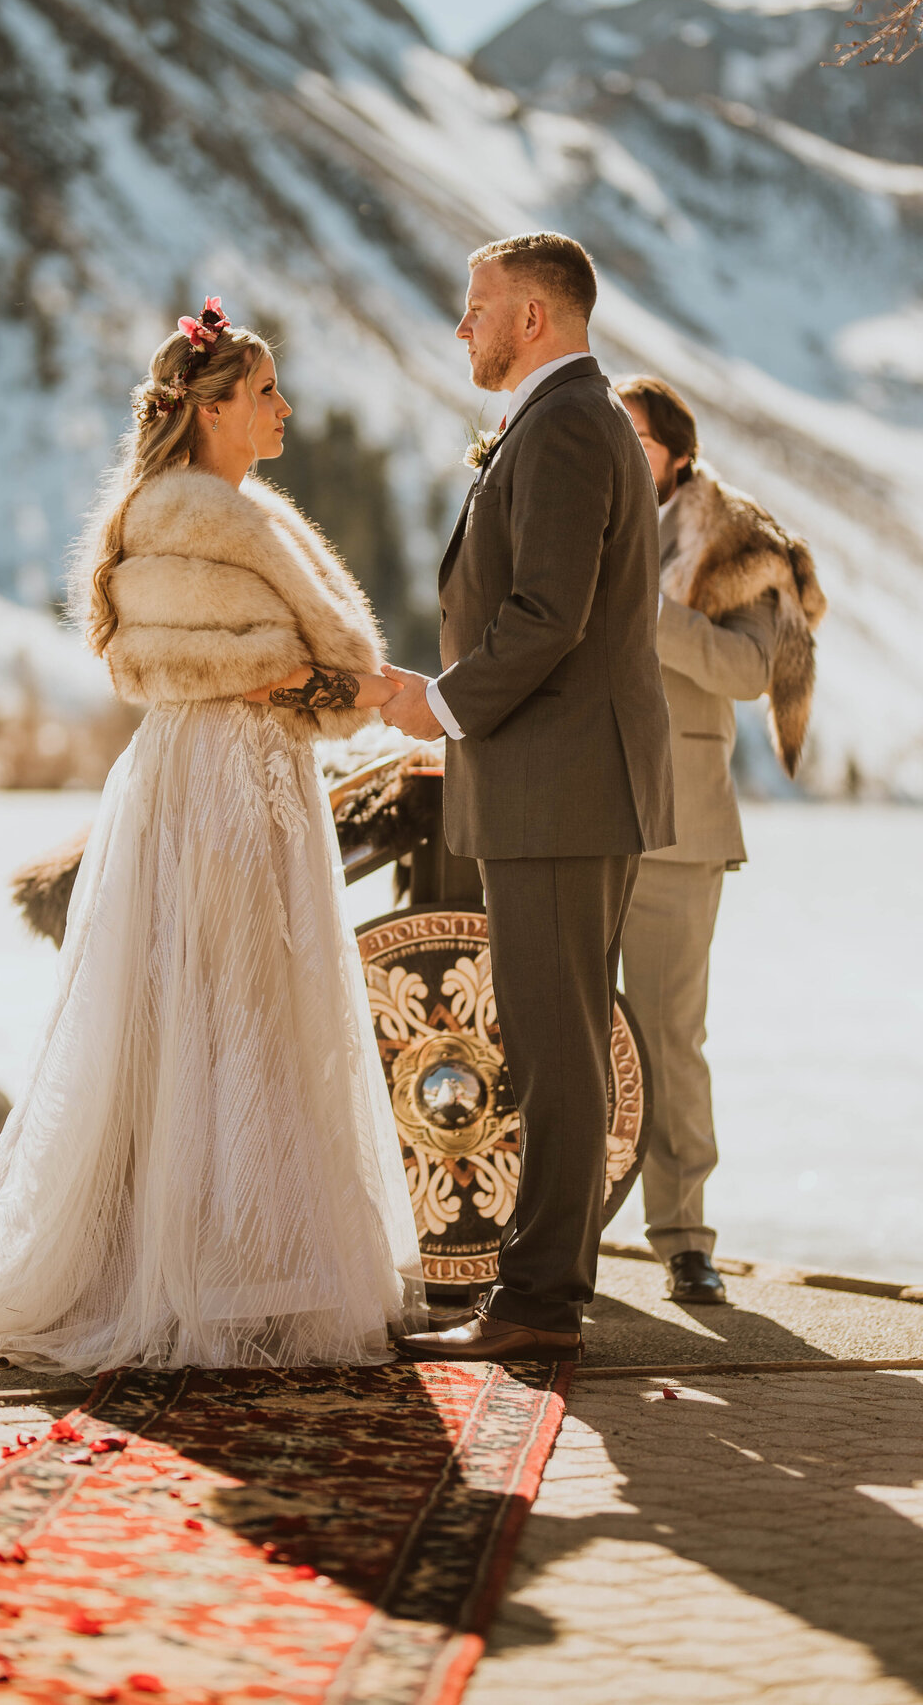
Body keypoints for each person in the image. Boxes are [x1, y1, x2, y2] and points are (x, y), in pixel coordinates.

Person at [0, 299, 425, 1375]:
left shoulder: (232, 513)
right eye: (265, 392)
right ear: (213, 408)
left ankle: (254, 1263)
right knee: (218, 1006)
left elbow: (290, 664)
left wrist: (309, 676)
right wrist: (298, 673)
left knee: (258, 1011)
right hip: (215, 782)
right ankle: (207, 1268)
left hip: (250, 771)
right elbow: (189, 659)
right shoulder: (186, 517)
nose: (283, 409)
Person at [381, 234, 675, 1362]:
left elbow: (547, 615)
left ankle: (541, 1302)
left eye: (477, 308)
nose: (464, 327)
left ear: (535, 319)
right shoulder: (566, 420)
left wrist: (441, 704)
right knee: (560, 1037)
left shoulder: (562, 426)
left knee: (557, 1042)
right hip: (564, 779)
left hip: (563, 785)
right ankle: (542, 1286)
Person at [615, 376, 826, 1304]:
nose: (617, 450)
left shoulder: (738, 541)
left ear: (675, 452)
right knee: (567, 1037)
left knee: (668, 1038)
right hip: (573, 810)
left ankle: (684, 1240)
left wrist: (651, 613)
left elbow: (752, 669)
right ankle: (555, 1241)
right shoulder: (571, 515)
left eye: (634, 437)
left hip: (681, 821)